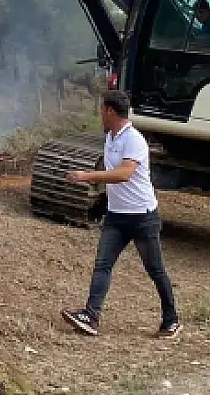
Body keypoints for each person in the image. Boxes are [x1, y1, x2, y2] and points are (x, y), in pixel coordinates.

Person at [60, 90, 181, 339]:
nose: (99, 113)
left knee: (155, 269)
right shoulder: (111, 138)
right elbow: (111, 171)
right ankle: (90, 316)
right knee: (103, 264)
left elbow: (124, 173)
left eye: (101, 109)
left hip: (141, 217)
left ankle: (172, 320)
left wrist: (87, 176)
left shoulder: (134, 140)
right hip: (116, 216)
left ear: (110, 112)